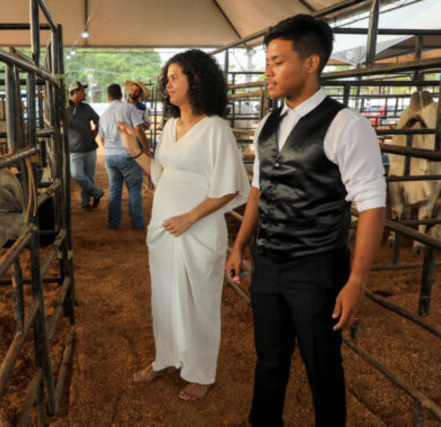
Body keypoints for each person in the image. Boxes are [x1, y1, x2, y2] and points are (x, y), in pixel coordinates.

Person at [225, 14, 386, 426]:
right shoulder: (267, 123)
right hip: (269, 263)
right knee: (270, 357)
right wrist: (241, 244)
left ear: (311, 63)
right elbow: (259, 188)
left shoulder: (346, 125)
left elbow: (371, 204)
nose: (268, 70)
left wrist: (356, 281)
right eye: (268, 61)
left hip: (317, 268)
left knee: (322, 366)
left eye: (278, 60)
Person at [117, 50, 250, 401]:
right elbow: (160, 174)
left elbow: (232, 186)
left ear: (196, 80)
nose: (168, 83)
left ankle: (201, 372)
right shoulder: (172, 126)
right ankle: (166, 358)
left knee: (199, 302)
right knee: (164, 298)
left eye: (176, 76)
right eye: (168, 77)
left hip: (198, 230)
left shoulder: (215, 128)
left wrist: (189, 217)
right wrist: (133, 147)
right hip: (165, 230)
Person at [99, 84, 147, 229]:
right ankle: (137, 224)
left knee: (114, 190)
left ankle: (114, 223)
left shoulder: (104, 114)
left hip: (110, 156)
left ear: (108, 97)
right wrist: (145, 149)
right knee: (134, 189)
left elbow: (102, 139)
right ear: (121, 95)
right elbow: (139, 129)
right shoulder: (129, 108)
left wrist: (111, 149)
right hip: (128, 155)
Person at [67, 81, 104, 210]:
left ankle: (85, 202)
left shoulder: (87, 108)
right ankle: (97, 193)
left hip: (89, 148)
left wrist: (95, 131)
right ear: (76, 92)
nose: (85, 93)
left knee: (89, 177)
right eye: (83, 91)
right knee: (76, 174)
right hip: (74, 150)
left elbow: (98, 120)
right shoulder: (65, 110)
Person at [125, 80, 152, 154]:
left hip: (137, 142)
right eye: (132, 89)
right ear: (129, 91)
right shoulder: (122, 105)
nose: (133, 92)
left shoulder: (143, 107)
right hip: (123, 142)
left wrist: (140, 124)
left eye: (136, 91)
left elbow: (148, 124)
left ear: (140, 94)